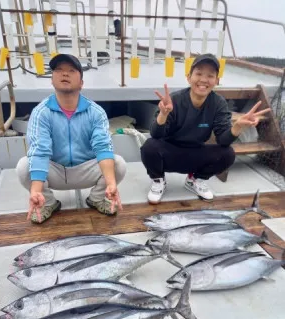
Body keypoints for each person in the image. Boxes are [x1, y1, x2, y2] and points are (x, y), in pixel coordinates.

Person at [141, 53, 270, 204]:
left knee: (228, 154)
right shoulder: (174, 100)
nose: (203, 79)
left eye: (210, 75)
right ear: (189, 77)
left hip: (196, 153)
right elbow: (156, 134)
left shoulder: (218, 103)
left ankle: (195, 180)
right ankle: (158, 181)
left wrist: (238, 126)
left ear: (217, 81)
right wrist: (163, 114)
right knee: (149, 147)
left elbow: (223, 140)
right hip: (170, 152)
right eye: (199, 73)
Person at [16, 54, 126, 223]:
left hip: (85, 169)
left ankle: (97, 198)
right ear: (52, 80)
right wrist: (36, 190)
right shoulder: (41, 112)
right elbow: (40, 151)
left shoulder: (96, 112)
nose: (64, 74)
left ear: (81, 83)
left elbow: (102, 147)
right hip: (55, 171)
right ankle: (47, 202)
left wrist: (111, 184)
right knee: (24, 166)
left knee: (118, 164)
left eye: (71, 70)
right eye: (58, 70)